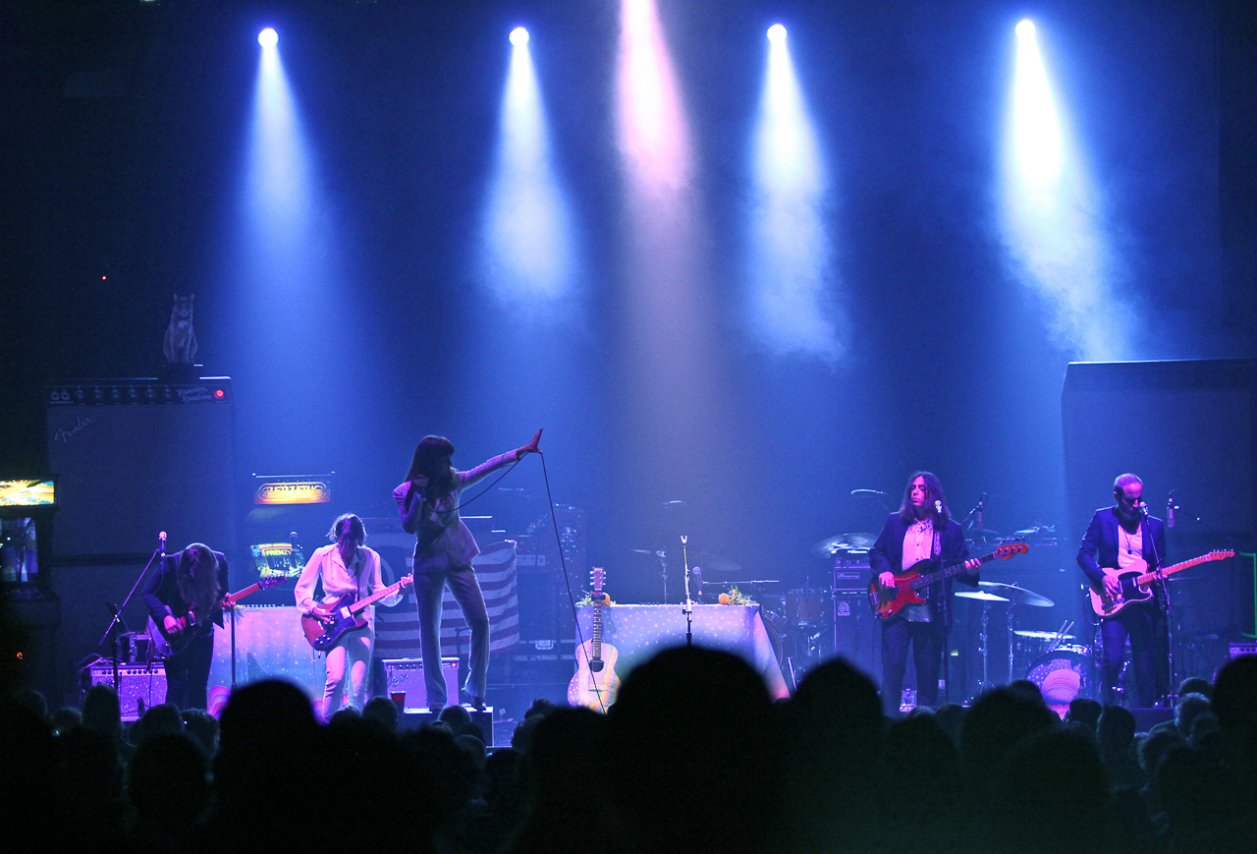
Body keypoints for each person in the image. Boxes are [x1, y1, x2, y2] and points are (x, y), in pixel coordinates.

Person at [393, 430, 542, 711]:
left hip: (459, 559)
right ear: (429, 460)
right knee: (430, 631)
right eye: (444, 459)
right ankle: (436, 697)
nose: (449, 464)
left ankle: (476, 689)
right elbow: (409, 526)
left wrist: (519, 452)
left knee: (480, 621)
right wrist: (420, 494)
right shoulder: (405, 491)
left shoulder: (454, 482)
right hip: (427, 563)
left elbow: (486, 468)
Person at [869, 471, 980, 715]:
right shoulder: (894, 522)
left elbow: (958, 568)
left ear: (934, 494)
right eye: (912, 488)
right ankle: (888, 720)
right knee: (894, 667)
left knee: (928, 673)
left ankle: (926, 726)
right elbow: (876, 552)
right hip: (896, 608)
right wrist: (884, 572)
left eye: (921, 488)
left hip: (932, 613)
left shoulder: (950, 530)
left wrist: (970, 571)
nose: (915, 492)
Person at [295, 513, 410, 720]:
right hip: (332, 622)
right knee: (336, 678)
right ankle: (328, 727)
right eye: (344, 539)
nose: (348, 545)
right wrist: (314, 608)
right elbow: (302, 589)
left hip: (362, 622)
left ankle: (356, 730)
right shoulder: (323, 555)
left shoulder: (369, 556)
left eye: (353, 540)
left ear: (359, 539)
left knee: (358, 686)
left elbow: (379, 591)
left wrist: (400, 590)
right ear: (337, 535)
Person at [1077, 473, 1168, 707]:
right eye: (1130, 500)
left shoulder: (1154, 525)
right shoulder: (1102, 518)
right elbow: (1084, 555)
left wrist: (1160, 575)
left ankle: (1147, 717)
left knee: (1146, 666)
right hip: (1113, 601)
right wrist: (1102, 576)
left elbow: (1160, 562)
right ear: (1117, 496)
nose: (1136, 505)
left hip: (1144, 602)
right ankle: (1105, 710)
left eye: (1139, 499)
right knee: (1113, 659)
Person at [141, 543, 229, 710]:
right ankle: (172, 730)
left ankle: (200, 730)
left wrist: (226, 600)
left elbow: (222, 594)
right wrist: (166, 617)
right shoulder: (170, 564)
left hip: (203, 628)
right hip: (175, 631)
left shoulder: (220, 562)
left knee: (199, 684)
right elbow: (147, 592)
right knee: (176, 684)